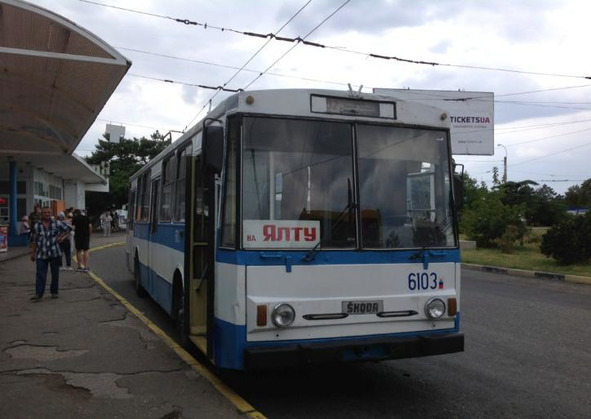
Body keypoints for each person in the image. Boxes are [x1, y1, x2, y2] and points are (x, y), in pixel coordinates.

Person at [29, 206, 72, 300]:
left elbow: (69, 229)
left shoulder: (57, 223)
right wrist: (32, 253)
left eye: (48, 212)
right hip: (41, 254)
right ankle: (38, 294)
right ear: (41, 214)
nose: (47, 214)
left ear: (51, 213)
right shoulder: (37, 226)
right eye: (45, 213)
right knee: (40, 274)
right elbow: (34, 240)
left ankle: (54, 292)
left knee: (55, 274)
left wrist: (61, 237)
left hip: (55, 253)